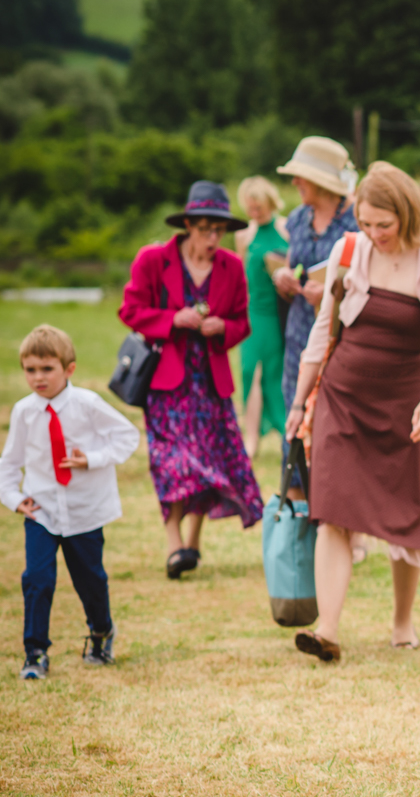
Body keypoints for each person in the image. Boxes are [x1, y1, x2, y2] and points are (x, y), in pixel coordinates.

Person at [287, 163, 420, 663]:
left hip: (405, 397)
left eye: (383, 225)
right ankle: (326, 628)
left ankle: (401, 621)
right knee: (332, 508)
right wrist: (301, 398)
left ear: (408, 215)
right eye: (366, 224)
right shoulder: (349, 251)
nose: (374, 234)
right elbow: (322, 329)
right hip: (342, 395)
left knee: (405, 511)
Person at [119, 182, 263, 579]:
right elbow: (130, 309)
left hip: (210, 380)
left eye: (219, 230)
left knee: (208, 461)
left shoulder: (232, 267)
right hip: (166, 380)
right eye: (204, 229)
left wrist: (222, 327)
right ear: (187, 225)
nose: (213, 237)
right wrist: (171, 320)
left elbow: (243, 323)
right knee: (173, 463)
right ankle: (173, 544)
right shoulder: (153, 260)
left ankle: (193, 543)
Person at [0, 325, 139, 680]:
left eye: (47, 369)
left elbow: (127, 436)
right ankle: (36, 652)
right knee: (37, 578)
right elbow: (8, 464)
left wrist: (90, 457)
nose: (38, 378)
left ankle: (101, 631)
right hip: (42, 510)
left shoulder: (87, 404)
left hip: (85, 511)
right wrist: (15, 498)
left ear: (68, 369)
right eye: (30, 370)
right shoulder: (24, 412)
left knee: (90, 580)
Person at [274, 137, 358, 484]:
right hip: (299, 337)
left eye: (300, 176)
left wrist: (332, 292)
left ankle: (339, 515)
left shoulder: (356, 220)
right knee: (295, 419)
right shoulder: (296, 219)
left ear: (321, 181)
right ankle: (296, 506)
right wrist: (284, 276)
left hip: (341, 338)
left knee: (336, 423)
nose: (294, 183)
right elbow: (297, 266)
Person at [234, 176, 290, 458]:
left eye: (260, 207)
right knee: (248, 371)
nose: (255, 213)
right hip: (254, 312)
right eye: (251, 208)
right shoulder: (244, 235)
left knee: (274, 372)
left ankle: (284, 429)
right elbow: (240, 276)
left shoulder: (286, 229)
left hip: (280, 311)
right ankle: (251, 437)